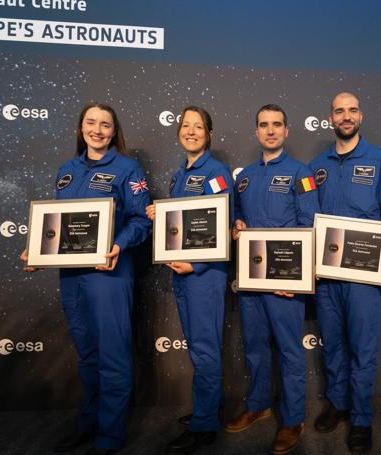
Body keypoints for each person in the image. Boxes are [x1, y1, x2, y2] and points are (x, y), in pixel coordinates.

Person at [21, 102, 152, 455]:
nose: (97, 129)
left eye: (105, 124)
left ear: (114, 131)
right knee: (88, 356)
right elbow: (60, 225)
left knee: (112, 357)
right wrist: (38, 250)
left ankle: (110, 436)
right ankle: (89, 423)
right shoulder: (67, 170)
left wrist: (118, 245)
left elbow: (142, 220)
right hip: (72, 278)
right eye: (91, 123)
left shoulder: (128, 169)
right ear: (81, 128)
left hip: (108, 274)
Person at [309, 91, 381, 453]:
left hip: (366, 273)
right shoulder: (317, 166)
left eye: (351, 110)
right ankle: (338, 402)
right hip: (328, 274)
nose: (345, 116)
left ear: (360, 115)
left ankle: (361, 417)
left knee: (363, 348)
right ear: (330, 118)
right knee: (333, 344)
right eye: (338, 111)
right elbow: (308, 219)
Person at [226, 104, 319, 455]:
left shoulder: (301, 172)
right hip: (251, 278)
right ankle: (259, 404)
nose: (270, 130)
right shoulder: (244, 176)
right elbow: (237, 215)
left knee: (290, 351)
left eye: (276, 124)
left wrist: (295, 277)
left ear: (287, 131)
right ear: (256, 132)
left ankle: (293, 418)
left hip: (284, 279)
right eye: (263, 125)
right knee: (255, 347)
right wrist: (236, 224)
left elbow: (310, 224)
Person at [145, 106, 234, 455]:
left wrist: (195, 264)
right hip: (182, 274)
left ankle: (204, 427)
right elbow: (182, 225)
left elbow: (223, 225)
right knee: (200, 349)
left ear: (209, 134)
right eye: (186, 126)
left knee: (204, 350)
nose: (191, 131)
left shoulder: (216, 172)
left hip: (204, 275)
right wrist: (158, 214)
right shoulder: (179, 174)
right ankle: (207, 409)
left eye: (198, 126)